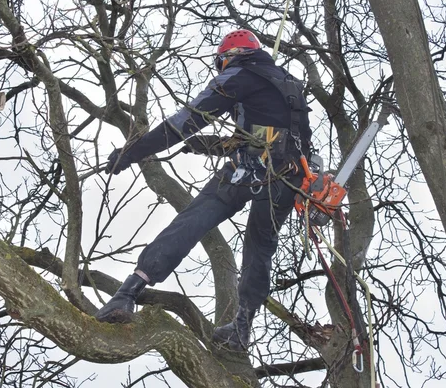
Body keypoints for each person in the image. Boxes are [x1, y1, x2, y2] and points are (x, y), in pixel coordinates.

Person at [95, 29, 312, 352]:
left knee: (191, 221)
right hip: (289, 180)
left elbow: (185, 121)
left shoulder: (238, 73)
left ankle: (126, 293)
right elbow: (269, 135)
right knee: (259, 249)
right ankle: (241, 327)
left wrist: (131, 153)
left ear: (228, 57)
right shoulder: (289, 83)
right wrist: (209, 145)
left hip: (247, 173)